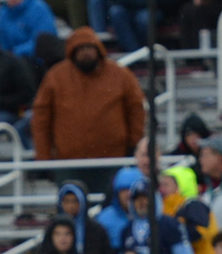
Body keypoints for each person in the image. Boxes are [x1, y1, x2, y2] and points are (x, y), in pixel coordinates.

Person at [30, 27, 144, 172]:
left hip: (113, 160)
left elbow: (136, 109)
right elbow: (41, 119)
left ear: (98, 49)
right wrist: (43, 159)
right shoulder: (55, 77)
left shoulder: (120, 74)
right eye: (81, 48)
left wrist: (134, 145)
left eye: (90, 47)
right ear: (73, 51)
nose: (86, 52)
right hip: (68, 162)